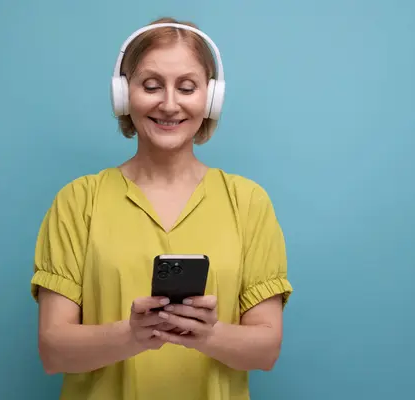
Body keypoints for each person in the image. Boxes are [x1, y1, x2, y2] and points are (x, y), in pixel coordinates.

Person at [30, 16, 293, 400]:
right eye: (151, 86)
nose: (169, 104)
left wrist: (208, 334)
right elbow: (53, 352)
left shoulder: (248, 202)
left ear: (211, 98)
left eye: (187, 87)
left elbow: (266, 351)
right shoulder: (78, 201)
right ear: (123, 94)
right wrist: (132, 335)